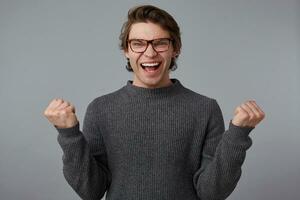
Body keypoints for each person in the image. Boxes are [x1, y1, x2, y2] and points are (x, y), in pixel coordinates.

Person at [44, 5, 265, 200]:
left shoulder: (205, 109)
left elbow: (211, 193)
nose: (150, 53)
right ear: (126, 51)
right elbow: (91, 191)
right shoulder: (101, 109)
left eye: (160, 43)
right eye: (138, 43)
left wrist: (238, 134)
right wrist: (69, 134)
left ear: (175, 48)